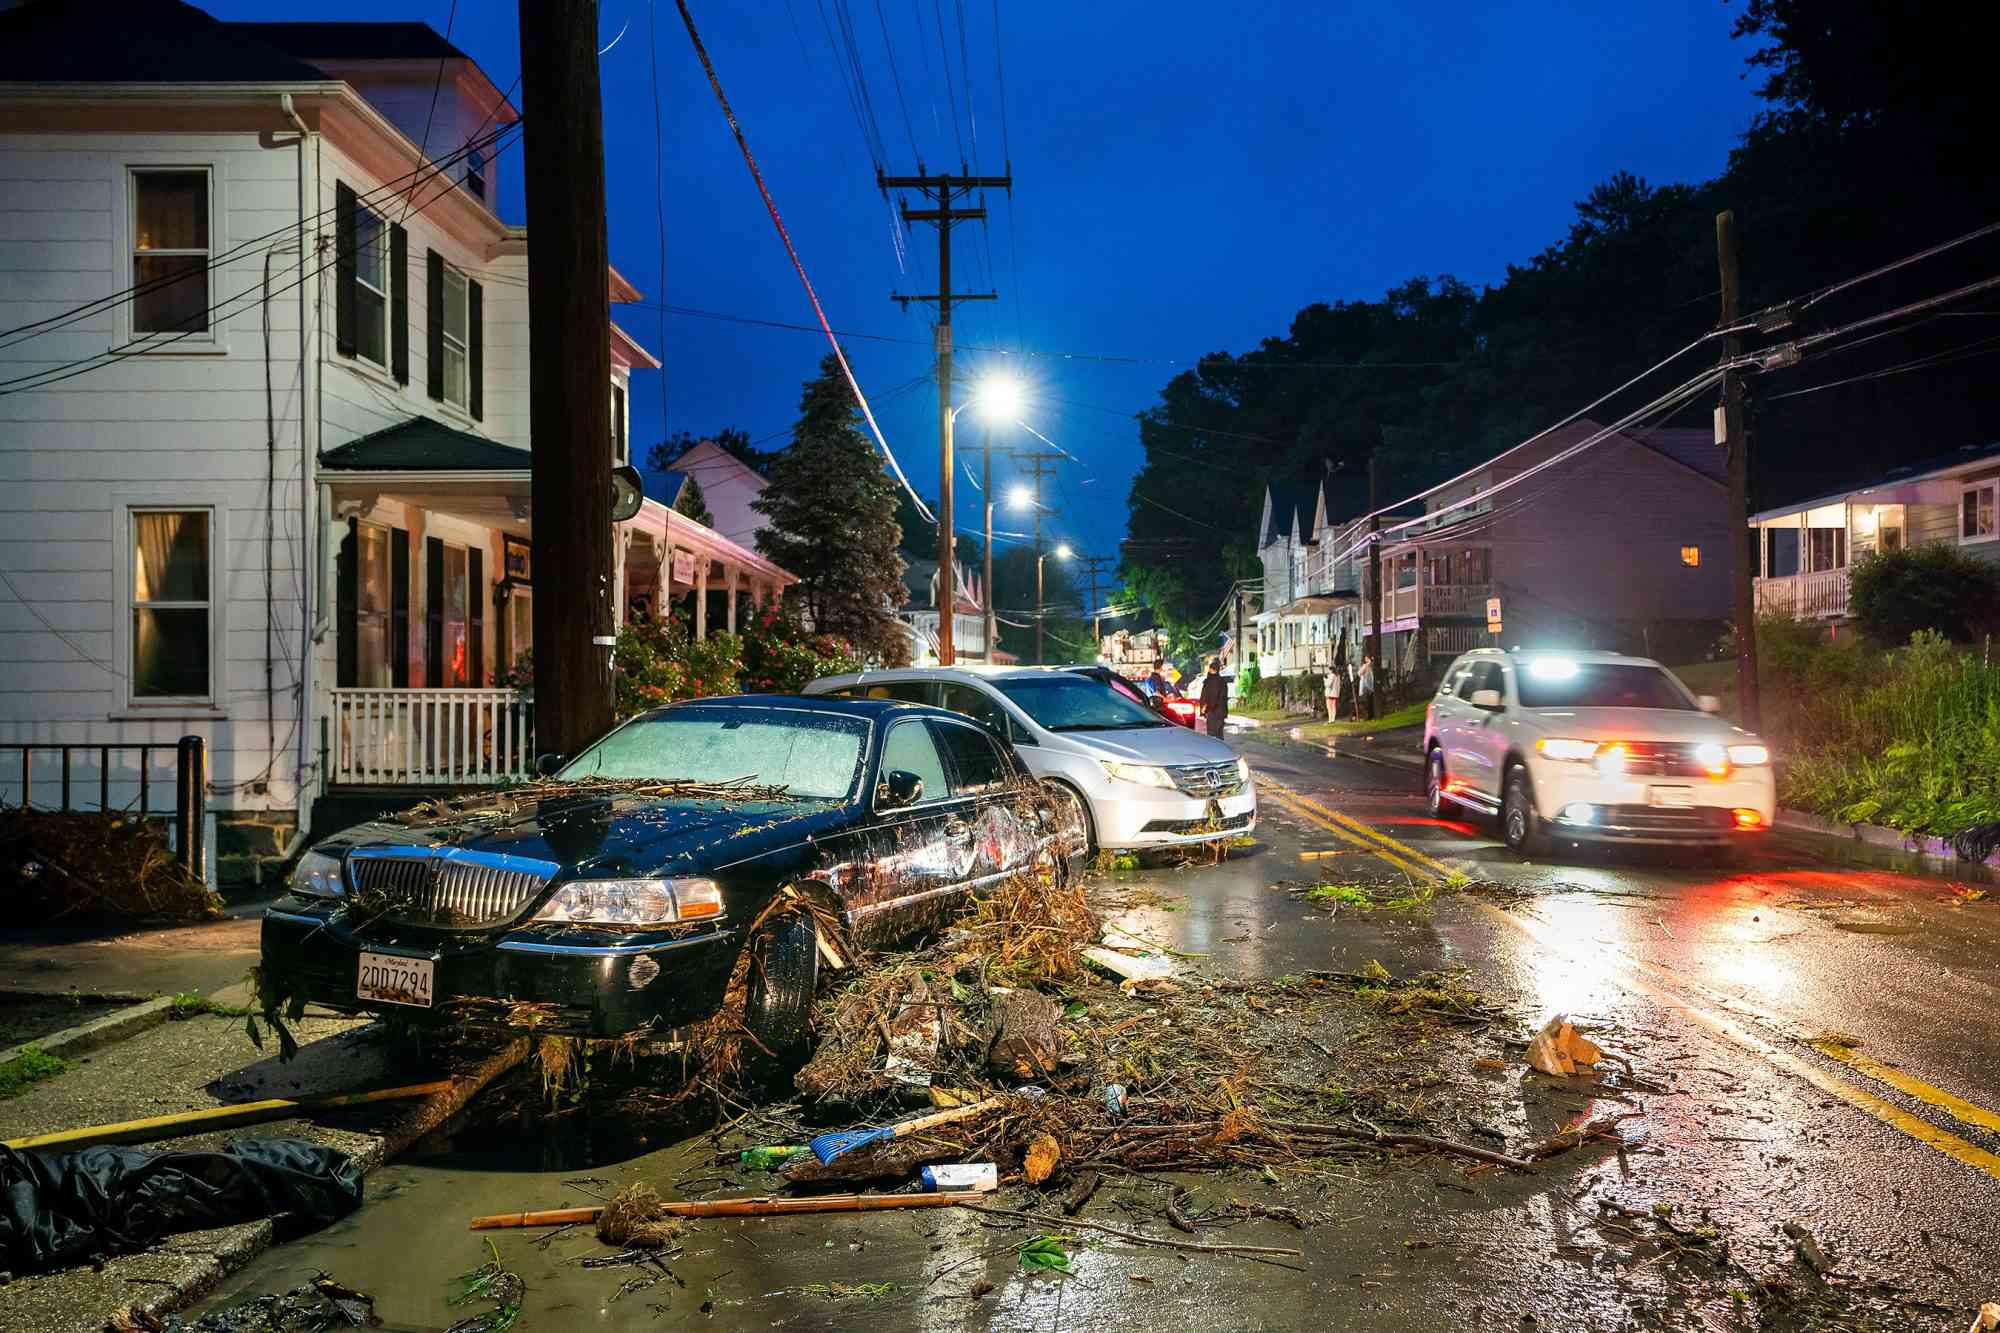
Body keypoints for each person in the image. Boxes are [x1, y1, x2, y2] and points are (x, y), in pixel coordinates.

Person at [1198, 659, 1228, 738]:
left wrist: (1204, 707)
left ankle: (1213, 749)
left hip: (1212, 712)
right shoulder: (1222, 681)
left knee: (1211, 735)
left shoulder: (1209, 681)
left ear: (1211, 669)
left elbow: (1208, 696)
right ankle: (1221, 749)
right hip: (1221, 711)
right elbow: (1224, 697)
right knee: (1219, 734)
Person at [1356, 654, 1376, 720]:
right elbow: (1359, 673)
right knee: (1367, 701)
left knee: (1369, 701)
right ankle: (1368, 715)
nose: (1367, 660)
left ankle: (1370, 715)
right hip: (1366, 686)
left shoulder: (1371, 666)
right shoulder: (1365, 666)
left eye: (1367, 659)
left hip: (1368, 686)